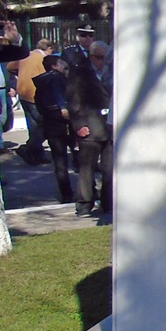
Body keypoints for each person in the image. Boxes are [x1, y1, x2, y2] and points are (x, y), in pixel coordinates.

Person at [67, 58, 112, 217]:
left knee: (110, 168)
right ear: (92, 56)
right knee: (87, 168)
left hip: (110, 127)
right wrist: (78, 125)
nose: (102, 60)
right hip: (90, 127)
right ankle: (84, 203)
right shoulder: (80, 72)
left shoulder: (111, 71)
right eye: (99, 57)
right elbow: (73, 102)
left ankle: (109, 202)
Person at [32, 54, 74, 204]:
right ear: (54, 66)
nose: (64, 65)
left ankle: (66, 193)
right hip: (66, 123)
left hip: (51, 124)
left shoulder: (41, 82)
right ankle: (88, 191)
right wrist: (63, 108)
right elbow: (60, 96)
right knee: (79, 157)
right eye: (61, 63)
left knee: (59, 162)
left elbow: (38, 103)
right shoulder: (57, 78)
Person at [14, 39, 55, 165]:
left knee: (33, 127)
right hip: (35, 95)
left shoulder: (26, 55)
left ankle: (38, 155)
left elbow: (11, 66)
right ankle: (28, 148)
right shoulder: (43, 59)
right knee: (45, 126)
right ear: (49, 49)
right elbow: (48, 77)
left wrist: (21, 74)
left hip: (22, 93)